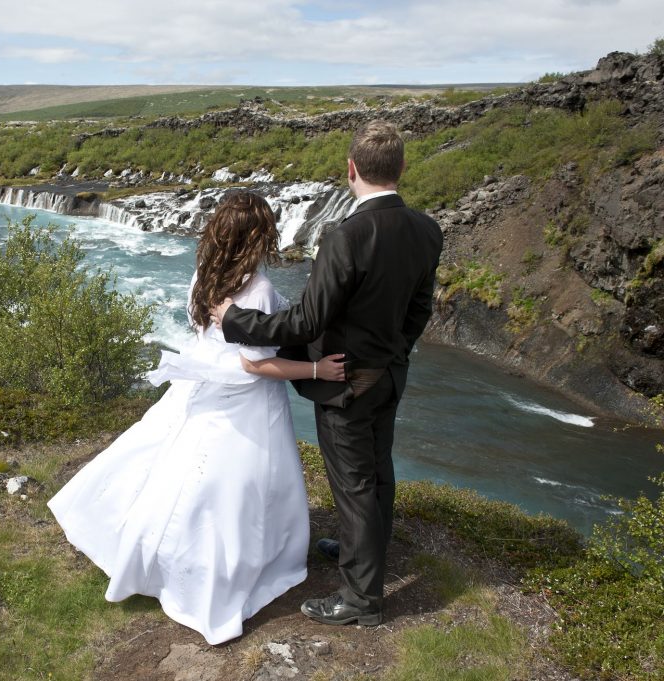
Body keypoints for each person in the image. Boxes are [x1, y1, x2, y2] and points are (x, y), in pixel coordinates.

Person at [48, 191, 343, 645]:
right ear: (259, 237)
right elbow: (255, 364)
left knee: (176, 472)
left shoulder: (203, 276)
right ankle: (217, 575)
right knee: (236, 490)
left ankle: (156, 557)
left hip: (201, 385)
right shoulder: (259, 290)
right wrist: (317, 369)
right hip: (246, 399)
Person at [213, 121, 443, 627]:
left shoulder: (346, 236)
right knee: (379, 473)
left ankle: (361, 601)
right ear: (401, 169)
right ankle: (365, 552)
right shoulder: (427, 229)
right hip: (389, 375)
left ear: (351, 168)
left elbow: (307, 321)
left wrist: (235, 320)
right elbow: (419, 309)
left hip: (344, 384)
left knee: (355, 484)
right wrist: (393, 355)